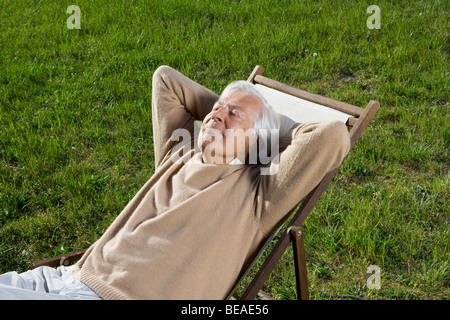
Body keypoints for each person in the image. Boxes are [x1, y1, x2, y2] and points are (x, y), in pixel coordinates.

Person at [0, 66, 350, 299]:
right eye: (216, 108)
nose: (215, 114)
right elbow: (165, 80)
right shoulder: (177, 153)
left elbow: (331, 134)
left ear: (259, 141)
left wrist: (265, 130)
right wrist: (227, 110)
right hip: (65, 278)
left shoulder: (258, 194)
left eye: (233, 114)